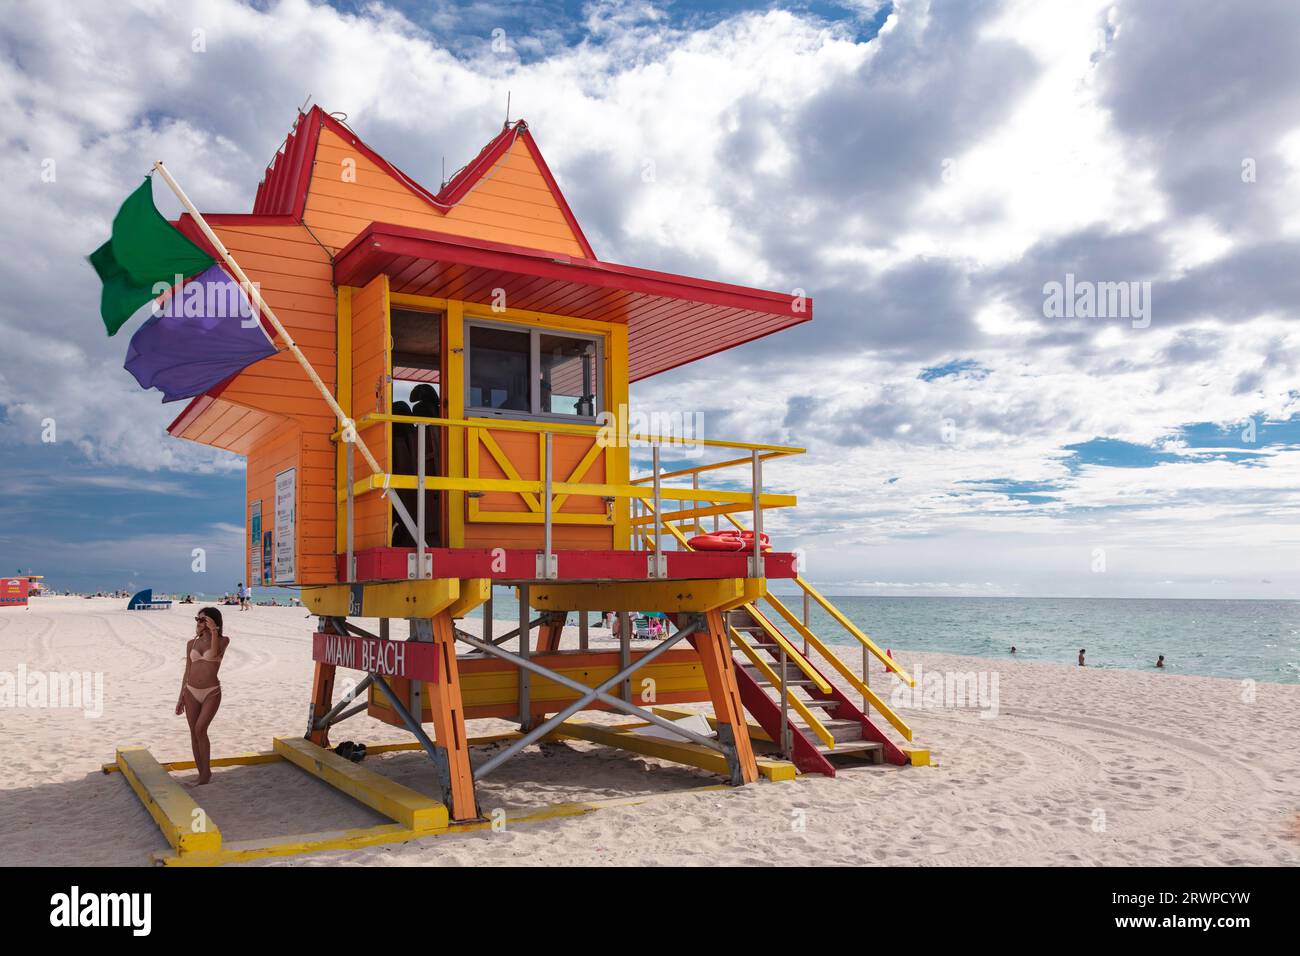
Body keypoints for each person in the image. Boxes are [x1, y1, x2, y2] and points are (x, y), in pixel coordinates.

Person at [176, 607, 229, 785]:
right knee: (194, 733)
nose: (198, 623)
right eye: (197, 620)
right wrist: (180, 696)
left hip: (211, 692)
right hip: (190, 691)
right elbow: (187, 671)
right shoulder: (191, 644)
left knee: (200, 730)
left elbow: (213, 653)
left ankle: (206, 774)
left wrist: (213, 630)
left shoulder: (222, 640)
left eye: (202, 620)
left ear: (212, 622)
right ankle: (202, 774)